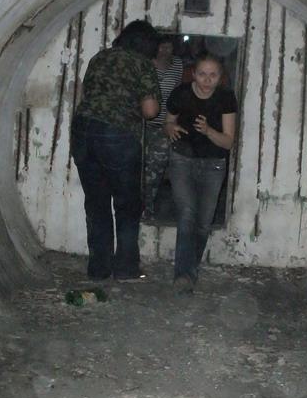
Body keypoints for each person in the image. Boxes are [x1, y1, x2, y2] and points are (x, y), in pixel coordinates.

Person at [70, 19, 161, 281]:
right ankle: (125, 268)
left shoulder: (99, 58)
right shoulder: (142, 63)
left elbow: (87, 94)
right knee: (127, 203)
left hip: (82, 131)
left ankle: (99, 269)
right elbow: (150, 111)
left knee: (96, 202)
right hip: (117, 134)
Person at [164, 51, 238, 293]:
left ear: (220, 77)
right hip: (182, 159)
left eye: (213, 75)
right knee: (187, 214)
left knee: (203, 222)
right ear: (194, 74)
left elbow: (228, 141)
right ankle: (183, 275)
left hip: (213, 164)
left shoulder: (225, 98)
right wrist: (170, 127)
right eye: (202, 74)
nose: (207, 80)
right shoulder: (181, 94)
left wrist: (208, 131)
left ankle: (190, 269)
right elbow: (168, 121)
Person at [143, 35, 184, 220]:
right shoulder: (145, 63)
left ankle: (147, 208)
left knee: (155, 169)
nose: (164, 51)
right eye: (161, 47)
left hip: (163, 125)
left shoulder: (177, 65)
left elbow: (177, 94)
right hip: (141, 123)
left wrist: (173, 121)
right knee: (137, 167)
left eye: (168, 47)